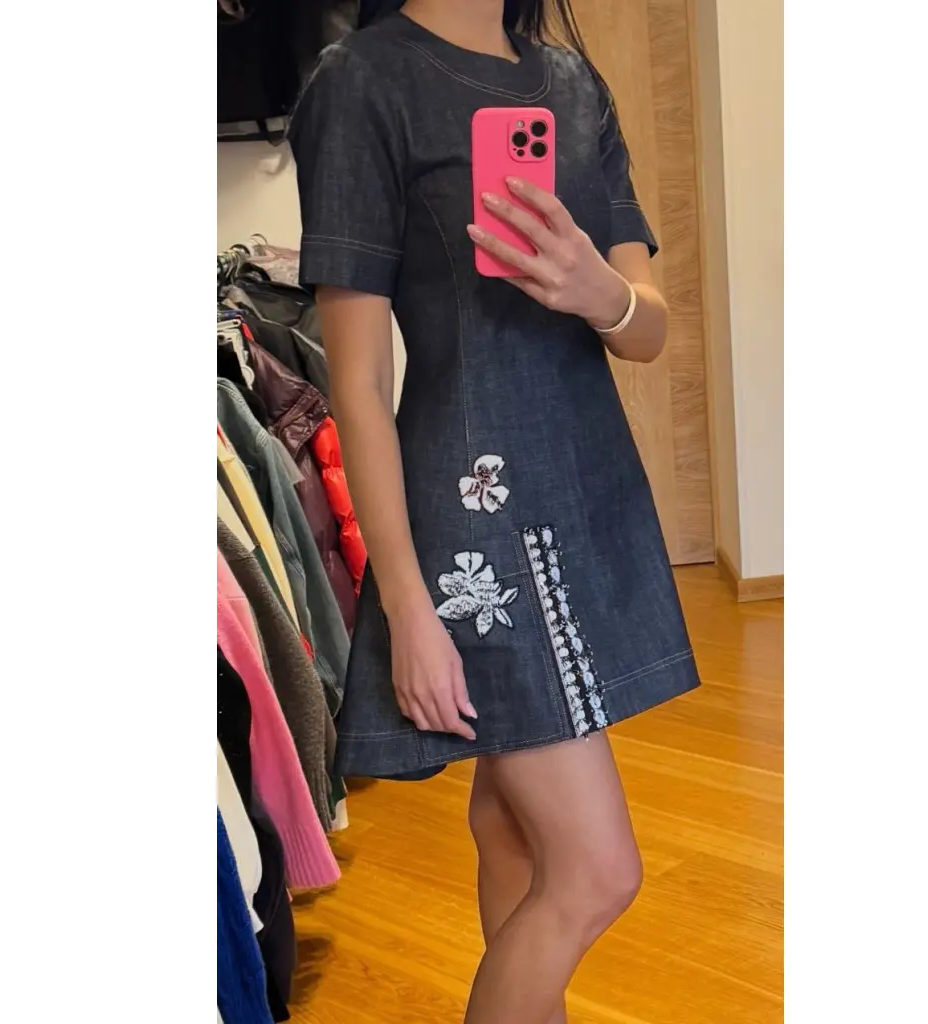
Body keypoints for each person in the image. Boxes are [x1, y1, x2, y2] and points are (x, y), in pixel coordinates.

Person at [289, 1, 701, 1020]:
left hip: (591, 490)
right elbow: (357, 383)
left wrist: (598, 291)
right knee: (597, 870)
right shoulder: (363, 81)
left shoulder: (572, 84)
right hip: (473, 514)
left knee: (512, 830)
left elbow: (648, 328)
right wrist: (408, 604)